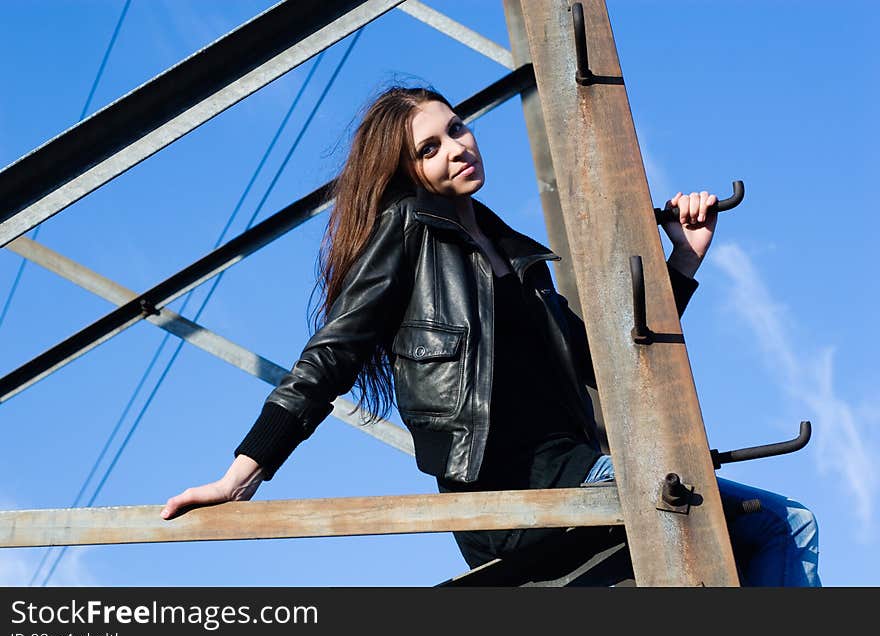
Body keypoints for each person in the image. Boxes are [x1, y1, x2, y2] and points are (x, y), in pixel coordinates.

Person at [160, 86, 820, 586]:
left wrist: (685, 259)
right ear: (407, 170)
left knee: (778, 524)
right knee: (768, 521)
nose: (457, 147)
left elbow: (607, 360)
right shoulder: (408, 232)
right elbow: (330, 357)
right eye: (431, 147)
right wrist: (241, 474)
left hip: (580, 469)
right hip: (514, 491)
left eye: (458, 128)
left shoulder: (515, 255)